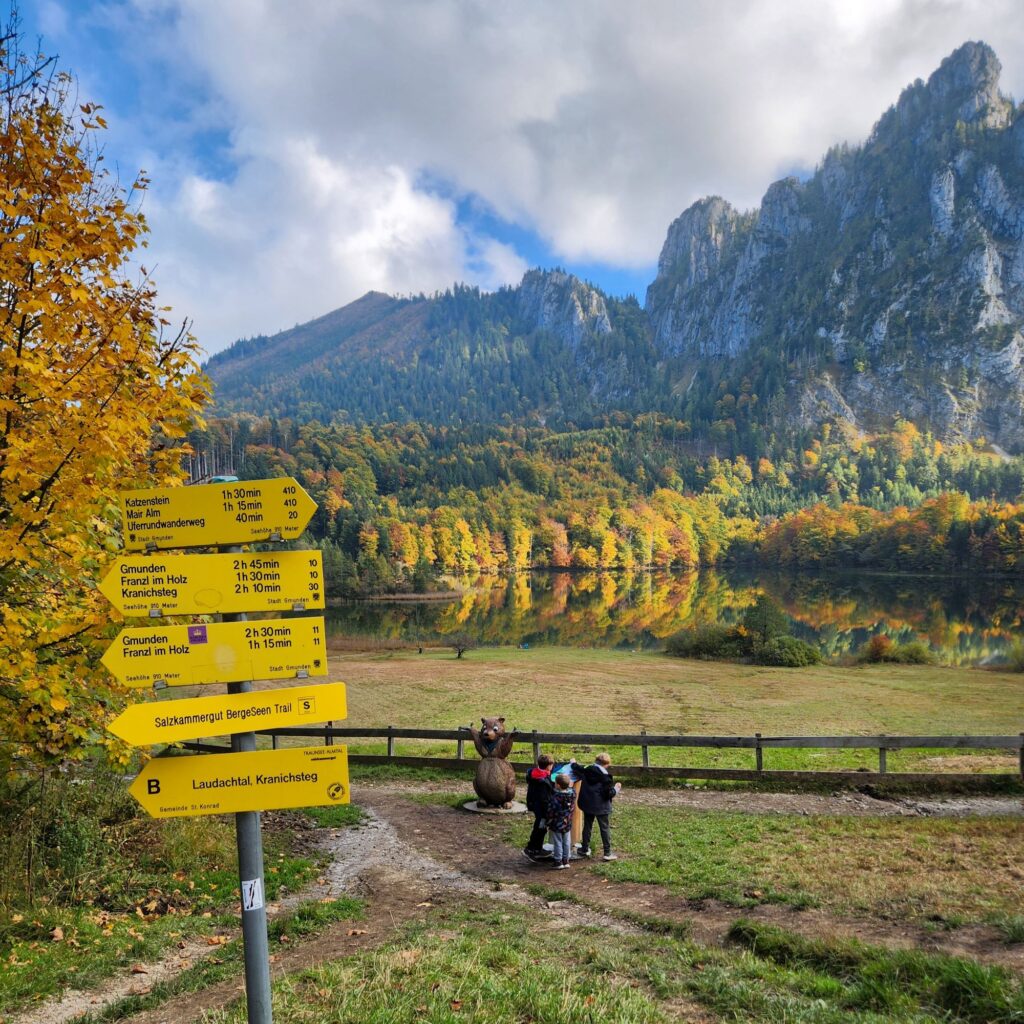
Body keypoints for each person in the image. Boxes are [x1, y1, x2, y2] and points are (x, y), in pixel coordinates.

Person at [578, 752, 621, 861]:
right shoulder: (605, 778)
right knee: (604, 828)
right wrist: (616, 789)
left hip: (587, 803)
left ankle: (584, 849)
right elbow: (608, 793)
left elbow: (576, 767)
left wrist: (573, 763)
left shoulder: (586, 769)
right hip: (601, 806)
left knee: (587, 826)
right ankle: (607, 852)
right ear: (606, 764)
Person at [523, 753, 554, 861]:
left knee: (539, 827)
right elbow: (544, 800)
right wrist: (548, 813)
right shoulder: (543, 782)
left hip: (535, 805)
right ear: (549, 766)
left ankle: (534, 848)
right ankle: (533, 849)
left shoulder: (534, 774)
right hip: (542, 810)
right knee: (540, 829)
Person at [546, 772, 576, 869]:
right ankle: (566, 860)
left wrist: (548, 822)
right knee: (567, 841)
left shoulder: (555, 797)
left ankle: (558, 861)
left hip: (556, 823)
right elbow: (572, 789)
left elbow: (551, 811)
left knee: (558, 841)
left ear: (558, 785)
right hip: (567, 822)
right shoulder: (572, 795)